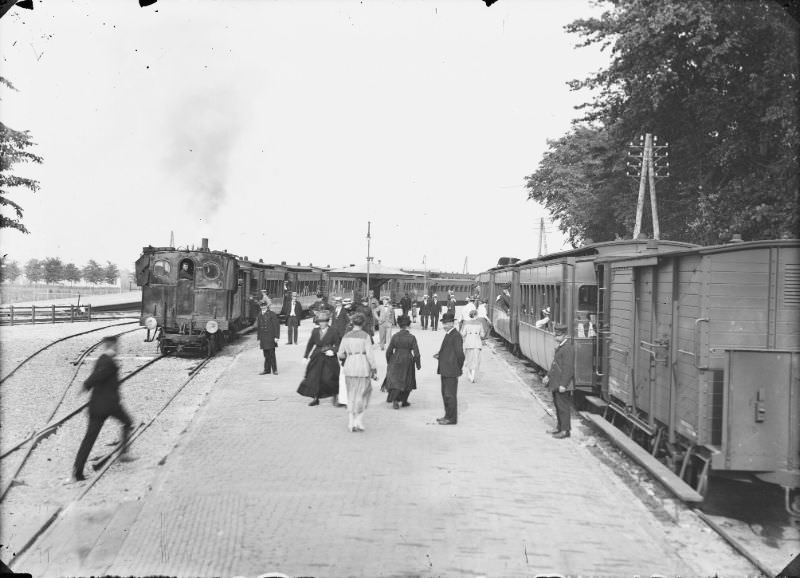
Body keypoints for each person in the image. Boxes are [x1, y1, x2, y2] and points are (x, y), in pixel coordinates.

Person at [73, 335, 134, 481]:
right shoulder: (109, 362)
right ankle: (124, 454)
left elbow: (97, 375)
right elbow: (98, 376)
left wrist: (87, 385)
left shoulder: (101, 359)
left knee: (89, 439)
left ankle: (77, 471)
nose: (118, 348)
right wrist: (85, 385)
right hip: (109, 406)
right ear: (112, 345)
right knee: (128, 422)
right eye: (117, 345)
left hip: (96, 405)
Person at [338, 313, 378, 432]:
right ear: (363, 323)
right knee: (364, 394)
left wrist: (347, 356)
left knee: (351, 394)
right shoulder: (365, 336)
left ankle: (351, 422)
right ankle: (358, 421)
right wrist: (374, 369)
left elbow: (340, 353)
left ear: (353, 323)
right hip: (362, 366)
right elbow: (370, 355)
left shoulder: (346, 336)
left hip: (349, 366)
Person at [297, 311, 342, 406]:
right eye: (320, 321)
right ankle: (315, 398)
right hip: (317, 356)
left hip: (329, 357)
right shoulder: (315, 331)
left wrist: (333, 351)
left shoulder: (333, 331)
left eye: (324, 321)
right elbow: (310, 344)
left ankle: (336, 397)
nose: (322, 323)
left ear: (327, 321)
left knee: (330, 378)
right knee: (314, 377)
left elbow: (339, 345)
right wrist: (305, 356)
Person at [542, 324, 575, 439]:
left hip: (562, 384)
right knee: (558, 405)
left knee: (563, 407)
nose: (556, 337)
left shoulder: (567, 348)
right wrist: (548, 376)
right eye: (556, 334)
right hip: (556, 382)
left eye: (558, 335)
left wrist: (563, 384)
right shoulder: (562, 346)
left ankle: (565, 431)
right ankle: (559, 427)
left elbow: (568, 368)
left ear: (564, 335)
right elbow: (555, 365)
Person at [382, 315, 421, 409]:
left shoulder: (395, 336)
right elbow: (417, 353)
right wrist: (418, 364)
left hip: (396, 358)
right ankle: (404, 401)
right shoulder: (412, 337)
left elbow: (388, 351)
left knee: (396, 380)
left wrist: (389, 361)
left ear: (399, 325)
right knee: (408, 380)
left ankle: (395, 400)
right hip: (408, 359)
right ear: (409, 325)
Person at [433, 312, 464, 425]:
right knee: (445, 394)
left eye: (446, 324)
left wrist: (458, 368)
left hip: (451, 371)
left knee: (450, 395)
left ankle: (452, 419)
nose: (444, 326)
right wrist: (440, 355)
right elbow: (448, 350)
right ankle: (447, 415)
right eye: (443, 323)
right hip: (445, 370)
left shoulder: (456, 336)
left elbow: (460, 355)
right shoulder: (449, 334)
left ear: (452, 323)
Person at [256, 298, 280, 375]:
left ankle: (275, 370)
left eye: (264, 305)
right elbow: (259, 327)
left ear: (267, 306)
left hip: (270, 337)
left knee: (272, 354)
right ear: (260, 306)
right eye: (261, 305)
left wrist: (276, 337)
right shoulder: (259, 314)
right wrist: (259, 337)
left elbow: (276, 326)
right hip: (263, 337)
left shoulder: (272, 314)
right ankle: (267, 370)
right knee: (266, 354)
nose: (263, 307)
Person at [461, 309, 485, 383]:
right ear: (475, 315)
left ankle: (469, 374)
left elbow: (462, 334)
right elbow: (482, 335)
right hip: (477, 344)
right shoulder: (480, 324)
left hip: (468, 344)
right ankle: (472, 376)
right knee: (475, 360)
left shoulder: (466, 323)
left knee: (468, 360)